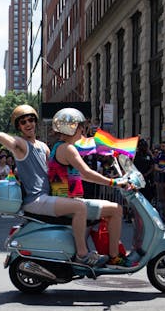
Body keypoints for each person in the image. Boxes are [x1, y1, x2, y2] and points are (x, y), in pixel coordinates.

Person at [0, 105, 127, 267]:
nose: (28, 124)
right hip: (36, 200)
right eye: (23, 122)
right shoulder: (21, 146)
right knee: (80, 207)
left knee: (93, 208)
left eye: (31, 120)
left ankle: (112, 256)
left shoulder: (44, 146)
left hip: (49, 197)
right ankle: (82, 255)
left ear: (35, 121)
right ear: (19, 127)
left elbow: (55, 173)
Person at [49, 108, 134, 268]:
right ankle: (114, 256)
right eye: (81, 127)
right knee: (116, 209)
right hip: (69, 202)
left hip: (67, 200)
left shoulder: (58, 147)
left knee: (104, 210)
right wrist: (114, 183)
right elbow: (86, 172)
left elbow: (81, 175)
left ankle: (88, 250)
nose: (83, 131)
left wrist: (111, 180)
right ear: (71, 127)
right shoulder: (68, 149)